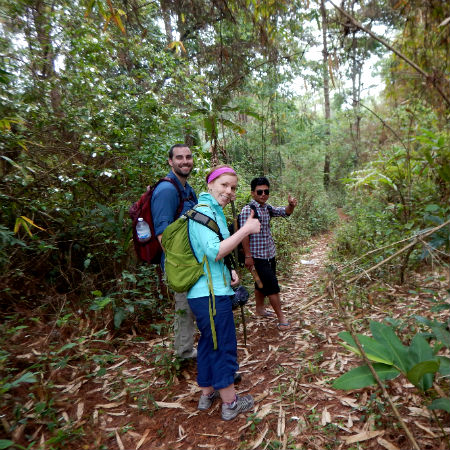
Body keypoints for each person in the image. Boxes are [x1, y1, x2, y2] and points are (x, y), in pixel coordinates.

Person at [187, 165, 260, 420]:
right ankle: (230, 404)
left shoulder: (212, 211)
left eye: (233, 188)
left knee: (209, 343)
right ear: (210, 184)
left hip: (208, 290)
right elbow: (214, 251)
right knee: (223, 346)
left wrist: (227, 271)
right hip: (209, 296)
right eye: (224, 185)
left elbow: (213, 256)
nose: (229, 191)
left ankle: (207, 394)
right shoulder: (203, 212)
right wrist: (246, 230)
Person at [152, 144, 198, 359]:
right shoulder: (167, 190)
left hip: (192, 261)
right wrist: (178, 265)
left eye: (188, 157)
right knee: (184, 308)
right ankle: (184, 353)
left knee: (192, 307)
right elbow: (162, 235)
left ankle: (188, 348)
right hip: (179, 264)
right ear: (170, 161)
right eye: (179, 157)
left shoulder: (188, 189)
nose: (185, 161)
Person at [239, 177, 297, 331]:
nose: (263, 194)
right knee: (272, 286)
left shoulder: (267, 208)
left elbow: (284, 212)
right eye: (260, 191)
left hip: (269, 253)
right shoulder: (248, 210)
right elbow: (243, 235)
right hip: (257, 256)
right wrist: (248, 256)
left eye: (266, 191)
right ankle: (281, 318)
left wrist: (291, 205)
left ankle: (260, 309)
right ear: (253, 193)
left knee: (261, 283)